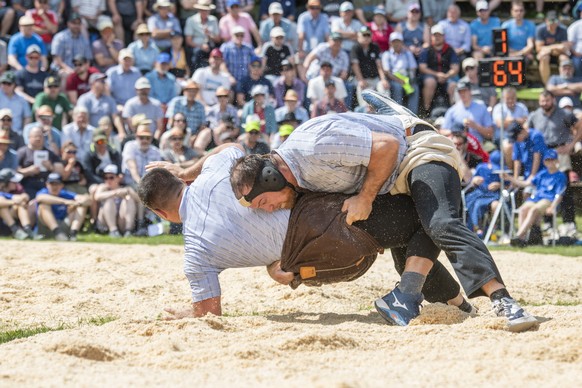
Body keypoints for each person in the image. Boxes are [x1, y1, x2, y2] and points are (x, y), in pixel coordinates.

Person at [230, 91, 538, 332]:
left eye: (262, 203)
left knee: (440, 222)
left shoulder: (313, 146)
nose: (268, 210)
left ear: (271, 176)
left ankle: (504, 302)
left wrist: (365, 198)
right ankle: (460, 307)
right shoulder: (293, 180)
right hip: (386, 182)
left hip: (414, 149)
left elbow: (387, 147)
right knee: (403, 248)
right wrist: (281, 265)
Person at [141, 146, 471, 319]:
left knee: (407, 245)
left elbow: (209, 314)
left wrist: (190, 312)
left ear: (159, 213)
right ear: (180, 181)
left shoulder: (195, 254)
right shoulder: (213, 171)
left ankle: (456, 302)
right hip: (335, 219)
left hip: (331, 262)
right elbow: (226, 145)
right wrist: (188, 169)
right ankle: (446, 298)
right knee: (420, 221)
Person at [526, 90, 582, 232]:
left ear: (553, 100)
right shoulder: (535, 115)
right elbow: (527, 132)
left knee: (564, 188)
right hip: (543, 154)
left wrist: (571, 144)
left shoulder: (564, 114)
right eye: (542, 101)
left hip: (560, 152)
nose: (545, 103)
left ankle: (569, 222)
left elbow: (579, 125)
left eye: (547, 101)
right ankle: (548, 223)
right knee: (545, 188)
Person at [506, 149, 567, 247]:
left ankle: (519, 236)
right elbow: (526, 184)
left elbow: (559, 194)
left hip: (548, 200)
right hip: (536, 198)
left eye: (552, 159)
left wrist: (553, 207)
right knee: (523, 209)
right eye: (548, 160)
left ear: (557, 161)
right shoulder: (542, 173)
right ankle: (522, 240)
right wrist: (509, 178)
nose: (550, 162)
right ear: (544, 162)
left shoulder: (561, 176)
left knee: (534, 210)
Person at [35, 172, 90, 241]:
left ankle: (73, 235)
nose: (54, 187)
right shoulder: (43, 192)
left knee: (82, 206)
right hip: (46, 229)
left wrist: (77, 203)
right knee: (43, 205)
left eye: (57, 184)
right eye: (52, 184)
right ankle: (57, 232)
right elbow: (40, 198)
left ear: (61, 185)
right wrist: (66, 201)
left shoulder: (64, 193)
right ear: (47, 185)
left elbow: (87, 200)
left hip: (63, 227)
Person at [418, 24, 460, 115]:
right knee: (430, 82)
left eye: (439, 35)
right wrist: (437, 74)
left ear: (443, 36)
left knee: (453, 85)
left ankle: (455, 112)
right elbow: (422, 68)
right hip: (430, 76)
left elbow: (455, 68)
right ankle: (426, 110)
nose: (437, 37)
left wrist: (446, 75)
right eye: (435, 35)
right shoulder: (427, 49)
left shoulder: (450, 49)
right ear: (431, 37)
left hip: (447, 76)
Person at [17, 125, 63, 199]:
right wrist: (28, 171)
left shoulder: (50, 153)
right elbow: (15, 172)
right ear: (29, 137)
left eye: (40, 137)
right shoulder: (22, 152)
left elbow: (61, 171)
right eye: (35, 136)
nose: (38, 139)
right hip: (27, 185)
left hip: (46, 185)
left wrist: (51, 167)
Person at [442, 80, 494, 146]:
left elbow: (490, 134)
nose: (462, 94)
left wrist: (476, 126)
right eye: (460, 92)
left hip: (477, 146)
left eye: (464, 91)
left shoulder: (481, 107)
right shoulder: (452, 110)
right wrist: (455, 132)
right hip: (458, 145)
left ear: (470, 91)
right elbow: (442, 132)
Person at [94, 164, 139, 238]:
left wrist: (129, 192)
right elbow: (97, 196)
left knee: (129, 200)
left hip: (121, 222)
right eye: (106, 178)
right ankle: (113, 231)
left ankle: (128, 231)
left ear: (119, 178)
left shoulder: (125, 188)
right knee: (109, 200)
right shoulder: (103, 187)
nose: (108, 180)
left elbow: (139, 200)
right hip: (105, 223)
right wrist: (115, 193)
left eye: (111, 177)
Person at [464, 150, 502, 234]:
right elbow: (472, 181)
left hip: (494, 196)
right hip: (480, 194)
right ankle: (476, 228)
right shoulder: (481, 167)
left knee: (494, 205)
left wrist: (499, 185)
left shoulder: (502, 170)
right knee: (476, 204)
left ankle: (492, 231)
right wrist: (475, 180)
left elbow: (509, 185)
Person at [380, 31, 418, 113]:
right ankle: (398, 113)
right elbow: (387, 72)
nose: (396, 44)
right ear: (390, 43)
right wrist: (399, 80)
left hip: (407, 78)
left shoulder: (408, 53)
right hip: (393, 79)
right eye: (394, 42)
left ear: (402, 42)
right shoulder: (386, 54)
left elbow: (413, 68)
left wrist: (410, 79)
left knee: (414, 87)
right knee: (397, 87)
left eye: (398, 41)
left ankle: (413, 113)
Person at [351, 26, 386, 108]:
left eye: (368, 35)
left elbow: (379, 65)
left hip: (375, 78)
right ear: (359, 37)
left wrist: (383, 79)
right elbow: (355, 65)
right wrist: (361, 80)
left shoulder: (375, 47)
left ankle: (386, 111)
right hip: (360, 79)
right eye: (364, 35)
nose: (366, 38)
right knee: (361, 87)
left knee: (383, 86)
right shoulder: (355, 47)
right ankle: (364, 111)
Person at [50, 12, 93, 77]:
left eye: (78, 23)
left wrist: (81, 70)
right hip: (61, 69)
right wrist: (69, 70)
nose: (76, 25)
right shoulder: (60, 37)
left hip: (79, 70)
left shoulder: (84, 40)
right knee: (66, 75)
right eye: (74, 23)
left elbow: (88, 59)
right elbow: (57, 59)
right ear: (68, 24)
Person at [184, 0, 221, 71]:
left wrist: (209, 35)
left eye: (206, 10)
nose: (204, 12)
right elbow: (188, 41)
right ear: (199, 10)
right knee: (197, 54)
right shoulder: (191, 20)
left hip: (211, 48)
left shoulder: (213, 19)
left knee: (217, 54)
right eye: (202, 10)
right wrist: (201, 46)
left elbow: (218, 39)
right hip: (196, 48)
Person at [535, 10, 570, 85]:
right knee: (544, 57)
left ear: (558, 21)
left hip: (557, 54)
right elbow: (538, 48)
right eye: (551, 20)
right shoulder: (540, 29)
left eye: (555, 20)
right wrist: (556, 46)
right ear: (546, 20)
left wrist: (548, 49)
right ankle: (547, 85)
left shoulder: (563, 30)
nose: (553, 23)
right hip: (545, 55)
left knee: (564, 58)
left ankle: (565, 83)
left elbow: (564, 48)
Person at [0, 168, 33, 240]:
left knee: (21, 205)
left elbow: (25, 196)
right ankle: (15, 230)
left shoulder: (17, 188)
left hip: (9, 222)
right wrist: (14, 202)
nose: (16, 183)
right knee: (2, 206)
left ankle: (28, 230)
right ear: (5, 182)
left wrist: (21, 199)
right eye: (13, 182)